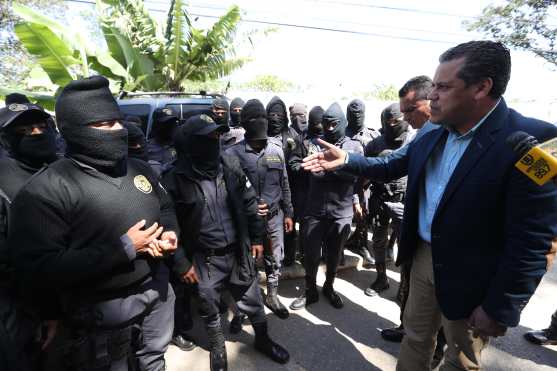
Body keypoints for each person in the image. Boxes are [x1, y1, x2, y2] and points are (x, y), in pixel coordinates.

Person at [302, 40, 557, 370]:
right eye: (433, 86)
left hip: (475, 276)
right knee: (416, 338)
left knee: (460, 359)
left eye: (442, 86)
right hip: (423, 256)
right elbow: (391, 165)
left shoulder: (536, 144)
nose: (432, 95)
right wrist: (347, 159)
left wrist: (501, 307)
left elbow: (535, 240)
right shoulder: (433, 131)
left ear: (482, 87)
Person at [9, 76, 179, 371]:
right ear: (75, 131)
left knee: (154, 360)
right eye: (105, 125)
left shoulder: (138, 169)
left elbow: (164, 207)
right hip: (100, 314)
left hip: (157, 293)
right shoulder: (46, 190)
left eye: (118, 121)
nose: (119, 130)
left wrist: (170, 234)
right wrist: (124, 247)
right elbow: (39, 268)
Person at [161, 113, 289, 371]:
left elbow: (250, 202)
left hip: (238, 252)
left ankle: (262, 339)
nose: (214, 141)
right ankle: (218, 348)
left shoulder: (229, 164)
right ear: (192, 142)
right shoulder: (174, 178)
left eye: (217, 135)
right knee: (208, 304)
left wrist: (256, 237)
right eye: (208, 137)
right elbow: (168, 225)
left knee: (252, 299)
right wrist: (181, 262)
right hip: (204, 258)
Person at [0, 99, 59, 371]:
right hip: (24, 308)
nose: (36, 133)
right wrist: (46, 310)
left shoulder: (61, 168)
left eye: (40, 126)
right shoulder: (5, 182)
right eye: (25, 131)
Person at [290, 102, 363, 311]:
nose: (330, 128)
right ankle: (310, 289)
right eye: (327, 124)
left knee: (334, 255)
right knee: (311, 255)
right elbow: (298, 165)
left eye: (334, 124)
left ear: (342, 123)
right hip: (315, 211)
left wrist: (331, 168)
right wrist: (307, 167)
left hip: (341, 212)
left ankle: (329, 287)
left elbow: (357, 174)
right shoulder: (313, 143)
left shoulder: (353, 146)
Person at [225, 99, 294, 319]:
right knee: (246, 260)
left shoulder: (276, 150)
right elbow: (229, 193)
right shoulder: (232, 154)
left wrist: (289, 212)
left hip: (274, 217)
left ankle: (272, 295)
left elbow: (284, 182)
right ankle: (244, 305)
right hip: (246, 221)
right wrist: (251, 206)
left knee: (275, 257)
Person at [363, 103, 412, 297]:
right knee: (378, 242)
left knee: (406, 247)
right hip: (380, 200)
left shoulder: (413, 141)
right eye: (389, 121)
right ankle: (381, 278)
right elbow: (364, 175)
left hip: (404, 203)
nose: (393, 125)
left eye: (397, 121)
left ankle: (404, 286)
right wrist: (359, 200)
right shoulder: (375, 144)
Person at [344, 99, 380, 265]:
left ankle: (362, 244)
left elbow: (380, 162)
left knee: (362, 216)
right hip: (342, 184)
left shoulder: (372, 135)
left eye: (359, 114)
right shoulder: (341, 132)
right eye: (352, 114)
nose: (356, 117)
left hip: (364, 185)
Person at [284, 103, 310, 266]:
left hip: (308, 188)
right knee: (290, 225)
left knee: (306, 226)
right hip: (291, 187)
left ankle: (304, 253)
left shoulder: (309, 133)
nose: (301, 119)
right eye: (297, 116)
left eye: (303, 115)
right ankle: (289, 255)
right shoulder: (287, 133)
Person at [147, 107, 179, 176]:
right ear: (157, 125)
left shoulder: (180, 146)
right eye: (167, 124)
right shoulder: (147, 149)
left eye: (173, 123)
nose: (171, 127)